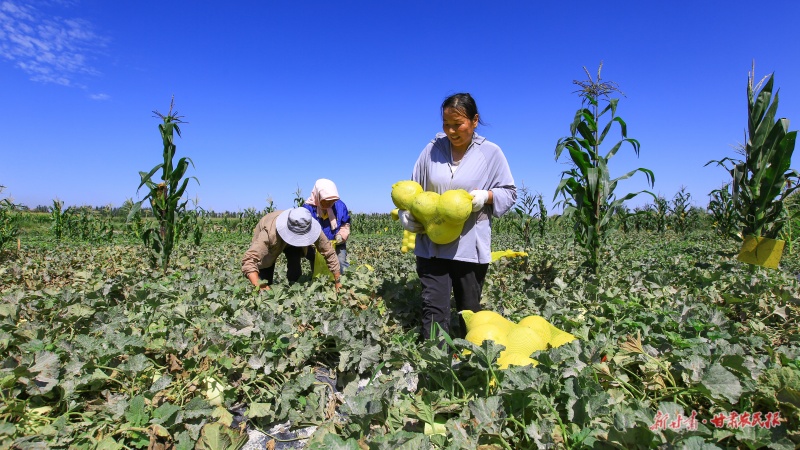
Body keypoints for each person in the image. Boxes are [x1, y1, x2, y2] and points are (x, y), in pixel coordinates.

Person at [399, 93, 516, 340]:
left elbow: (509, 193)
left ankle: (470, 356)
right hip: (431, 245)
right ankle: (435, 359)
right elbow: (413, 189)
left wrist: (487, 196)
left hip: (469, 247)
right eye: (446, 124)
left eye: (458, 124)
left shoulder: (491, 153)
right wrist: (405, 213)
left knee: (469, 311)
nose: (451, 131)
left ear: (474, 120)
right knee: (433, 309)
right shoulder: (431, 150)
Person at [242, 207, 341, 291]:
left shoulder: (311, 226)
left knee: (295, 264)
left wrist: (338, 281)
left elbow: (329, 252)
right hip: (272, 238)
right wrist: (260, 285)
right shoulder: (269, 233)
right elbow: (249, 260)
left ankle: (295, 286)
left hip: (291, 240)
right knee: (265, 280)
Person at [304, 179, 352, 273]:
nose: (329, 204)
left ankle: (342, 280)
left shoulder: (340, 206)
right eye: (326, 200)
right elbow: (304, 227)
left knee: (341, 263)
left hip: (337, 244)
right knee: (318, 267)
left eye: (332, 201)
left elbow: (345, 224)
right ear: (318, 196)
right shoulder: (308, 208)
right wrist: (310, 240)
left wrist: (341, 236)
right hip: (316, 246)